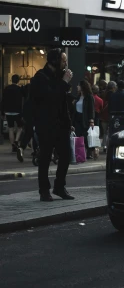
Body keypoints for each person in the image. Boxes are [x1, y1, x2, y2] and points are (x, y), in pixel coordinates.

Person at [31, 48, 74, 202]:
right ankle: (44, 190)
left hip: (61, 125)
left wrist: (69, 123)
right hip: (46, 125)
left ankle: (59, 187)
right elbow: (50, 99)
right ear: (54, 61)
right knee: (45, 158)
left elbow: (63, 104)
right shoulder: (40, 77)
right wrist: (64, 82)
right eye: (63, 60)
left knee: (65, 156)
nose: (65, 63)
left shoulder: (59, 77)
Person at [1, 74, 24, 152]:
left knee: (10, 128)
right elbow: (22, 101)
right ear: (18, 80)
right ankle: (16, 141)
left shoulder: (6, 88)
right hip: (17, 111)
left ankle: (12, 145)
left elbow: (3, 101)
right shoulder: (19, 89)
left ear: (11, 80)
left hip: (8, 111)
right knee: (20, 127)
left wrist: (2, 112)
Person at [74, 80, 95, 159]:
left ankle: (89, 152)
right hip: (77, 118)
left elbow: (91, 109)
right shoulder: (78, 96)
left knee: (86, 136)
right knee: (78, 136)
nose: (77, 87)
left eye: (78, 85)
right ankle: (80, 154)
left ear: (83, 86)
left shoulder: (89, 97)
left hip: (85, 118)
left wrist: (91, 120)